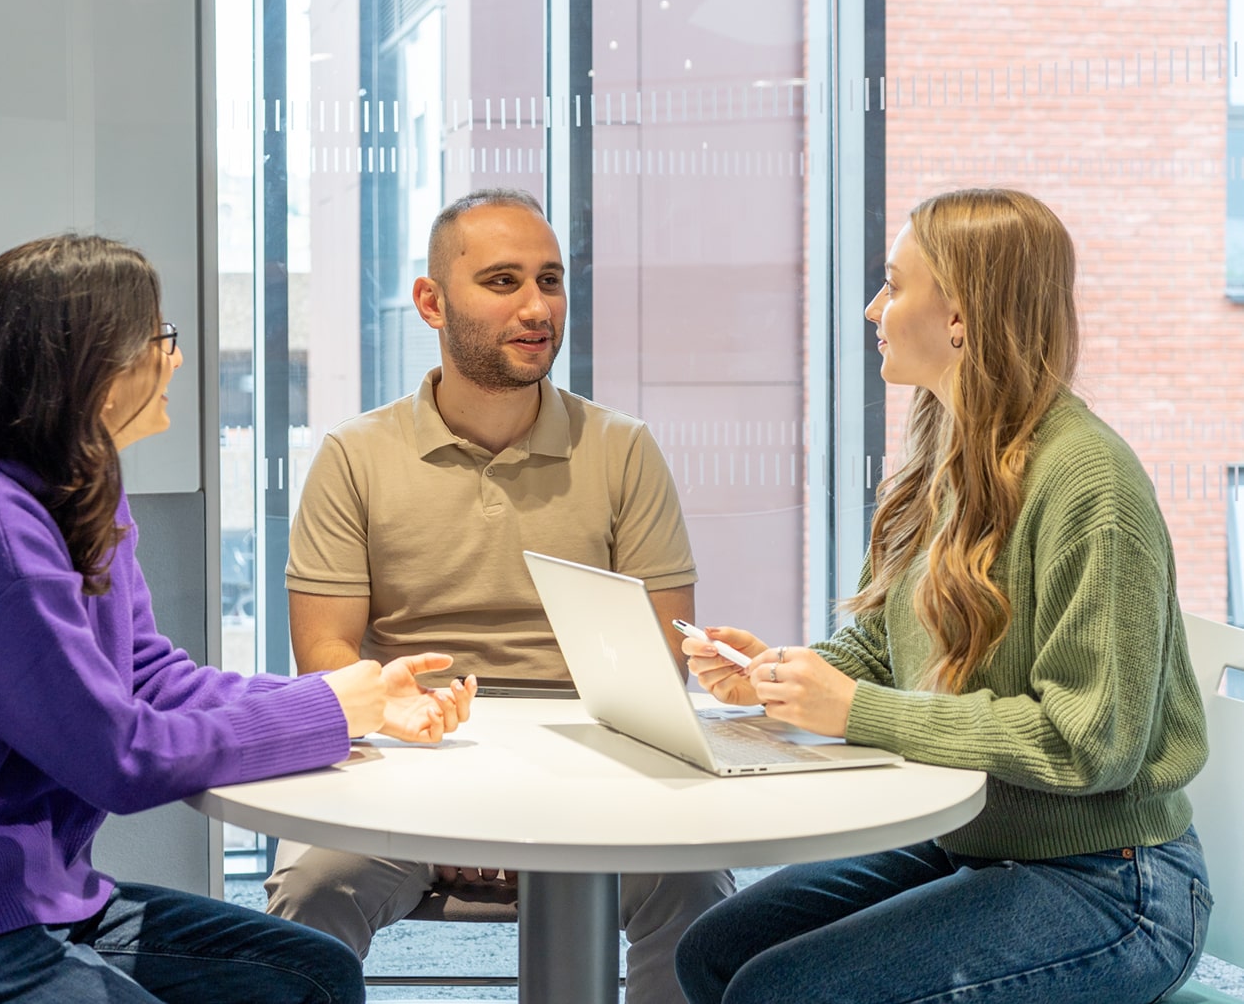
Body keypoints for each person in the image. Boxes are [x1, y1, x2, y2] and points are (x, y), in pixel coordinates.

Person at [0, 234, 475, 1004]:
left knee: (314, 975)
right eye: (161, 337)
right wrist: (325, 709)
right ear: (91, 363)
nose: (175, 359)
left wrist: (358, 704)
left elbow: (150, 675)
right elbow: (117, 756)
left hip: (36, 907)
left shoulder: (82, 487)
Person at [674, 188, 1212, 1004]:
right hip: (971, 840)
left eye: (893, 285)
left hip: (1117, 884)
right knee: (713, 951)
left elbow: (1089, 742)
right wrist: (783, 678)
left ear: (959, 316)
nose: (872, 308)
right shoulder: (941, 455)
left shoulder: (1088, 481)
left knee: (783, 992)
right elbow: (878, 651)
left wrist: (854, 710)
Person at [263, 188, 733, 1004]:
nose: (537, 306)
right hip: (410, 766)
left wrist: (531, 808)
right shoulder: (354, 455)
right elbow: (329, 661)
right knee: (309, 887)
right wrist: (453, 801)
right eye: (504, 281)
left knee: (698, 897)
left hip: (595, 770)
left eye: (549, 281)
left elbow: (664, 665)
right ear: (431, 302)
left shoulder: (622, 449)